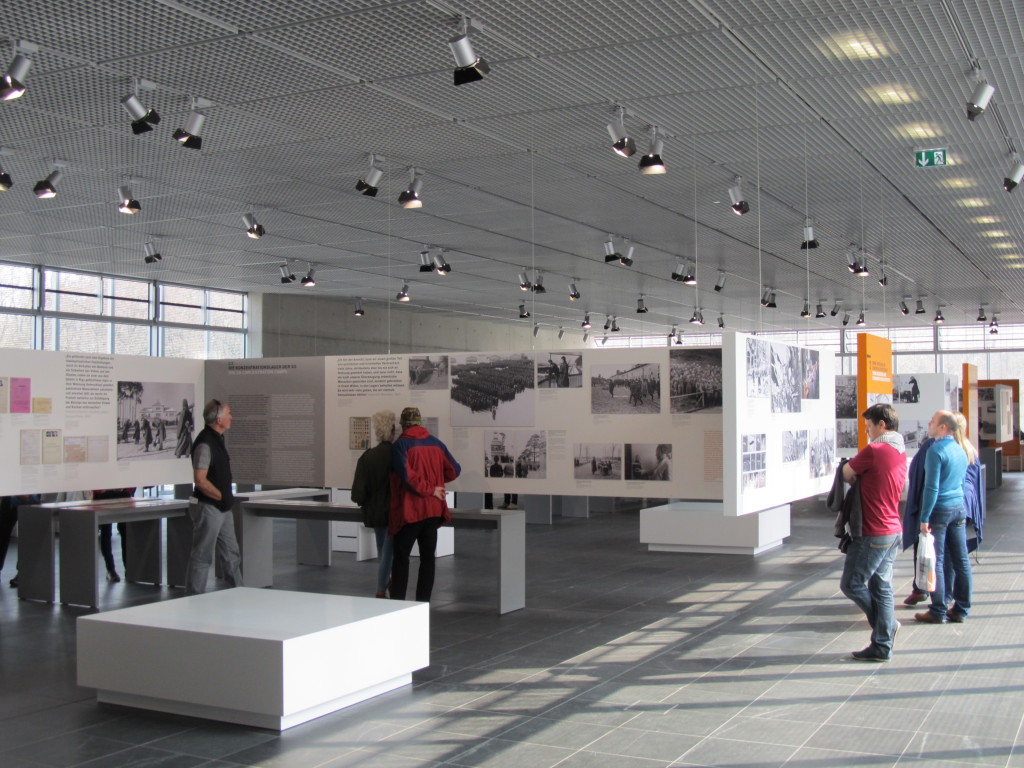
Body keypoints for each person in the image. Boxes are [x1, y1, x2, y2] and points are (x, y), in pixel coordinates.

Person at [840, 403, 907, 662]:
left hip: (873, 530)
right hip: (892, 529)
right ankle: (881, 645)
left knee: (852, 583)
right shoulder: (899, 449)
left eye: (869, 426)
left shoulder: (876, 450)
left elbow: (847, 472)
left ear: (882, 424)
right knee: (882, 586)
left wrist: (854, 473)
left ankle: (886, 627)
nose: (867, 432)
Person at [389, 407, 461, 602]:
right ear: (420, 423)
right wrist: (437, 484)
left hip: (411, 511)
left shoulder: (400, 446)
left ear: (403, 424)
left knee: (401, 558)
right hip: (433, 510)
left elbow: (408, 477)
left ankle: (397, 602)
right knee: (428, 558)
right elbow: (454, 470)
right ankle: (423, 602)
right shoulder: (437, 444)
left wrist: (429, 488)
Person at [915, 410, 971, 624]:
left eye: (933, 421)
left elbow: (931, 487)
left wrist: (924, 517)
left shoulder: (935, 450)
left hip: (939, 510)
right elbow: (961, 482)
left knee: (936, 561)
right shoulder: (960, 449)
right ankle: (962, 608)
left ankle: (938, 609)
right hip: (958, 508)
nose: (929, 423)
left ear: (943, 427)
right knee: (961, 560)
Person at [185, 399, 243, 595]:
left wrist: (224, 500)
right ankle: (194, 598)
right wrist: (220, 496)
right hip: (209, 507)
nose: (231, 417)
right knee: (202, 556)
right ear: (219, 420)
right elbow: (200, 480)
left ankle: (237, 593)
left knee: (231, 553)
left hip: (222, 507)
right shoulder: (205, 443)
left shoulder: (217, 439)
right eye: (228, 414)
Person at [351, 410, 396, 599]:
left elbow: (357, 493)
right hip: (394, 512)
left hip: (375, 512)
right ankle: (380, 588)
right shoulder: (398, 455)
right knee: (387, 551)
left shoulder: (367, 457)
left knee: (383, 550)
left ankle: (387, 583)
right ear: (392, 430)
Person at [93, 487, 136, 582]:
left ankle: (128, 568)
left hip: (121, 496)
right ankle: (110, 569)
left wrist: (124, 488)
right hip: (104, 498)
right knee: (106, 532)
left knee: (125, 533)